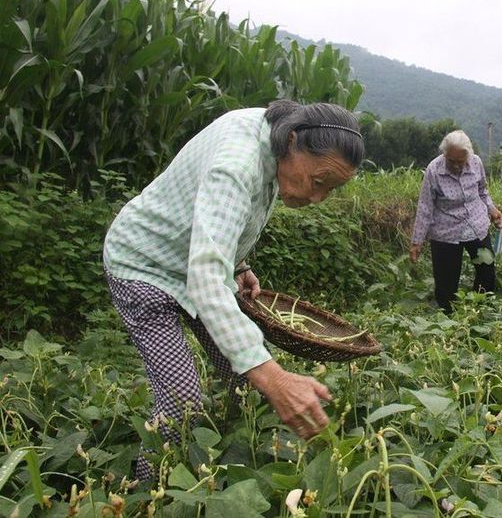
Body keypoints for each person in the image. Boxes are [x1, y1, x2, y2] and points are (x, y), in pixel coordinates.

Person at [103, 100, 364, 481]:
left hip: (193, 264)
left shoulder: (271, 137)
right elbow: (206, 278)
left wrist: (237, 263)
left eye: (330, 189)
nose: (317, 198)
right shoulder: (238, 163)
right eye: (318, 181)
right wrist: (274, 377)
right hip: (144, 265)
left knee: (243, 378)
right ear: (293, 142)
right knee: (182, 399)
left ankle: (226, 460)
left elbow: (218, 219)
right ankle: (147, 492)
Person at [409, 130, 502, 314]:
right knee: (446, 282)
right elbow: (425, 207)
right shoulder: (434, 170)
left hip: (476, 225)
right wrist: (416, 242)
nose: (457, 166)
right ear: (445, 155)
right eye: (452, 161)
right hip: (446, 231)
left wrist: (491, 208)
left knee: (486, 270)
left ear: (468, 156)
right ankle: (448, 319)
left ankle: (480, 309)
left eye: (461, 162)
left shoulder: (476, 162)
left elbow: (482, 190)